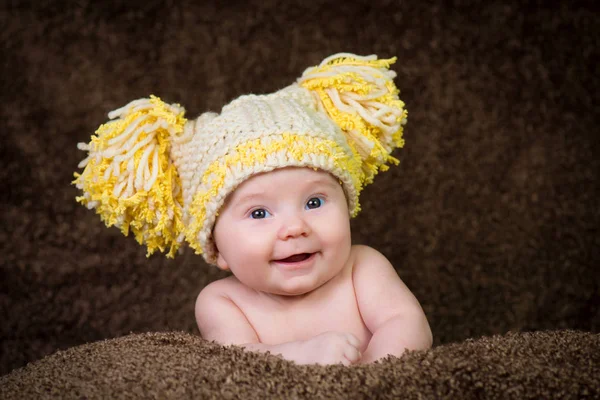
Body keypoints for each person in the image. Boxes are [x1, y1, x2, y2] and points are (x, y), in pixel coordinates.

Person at [74, 53, 433, 365]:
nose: (294, 228)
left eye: (314, 202)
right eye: (259, 213)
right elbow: (237, 362)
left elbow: (407, 323)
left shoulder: (363, 269)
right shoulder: (223, 302)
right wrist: (303, 355)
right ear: (217, 248)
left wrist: (370, 376)